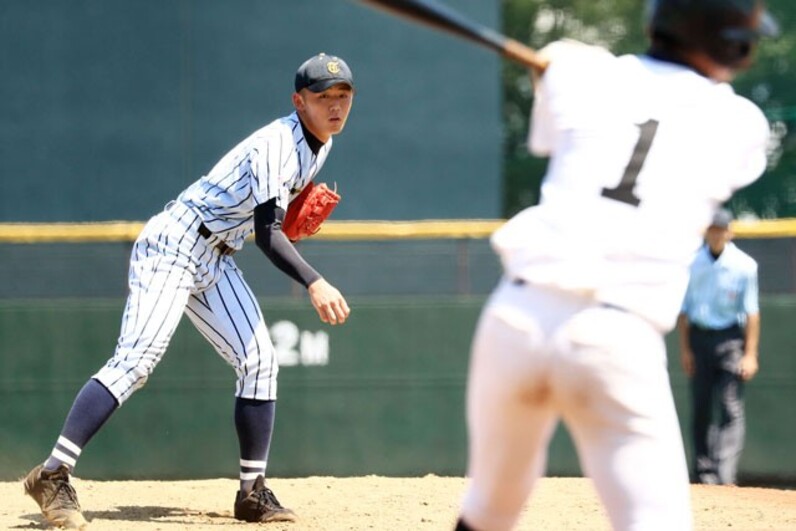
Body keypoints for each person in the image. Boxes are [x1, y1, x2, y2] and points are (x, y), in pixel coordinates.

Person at [454, 1, 778, 530]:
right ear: (731, 46)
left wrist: (564, 66)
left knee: (490, 508)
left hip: (516, 318)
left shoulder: (580, 73)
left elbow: (556, 130)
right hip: (616, 338)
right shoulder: (742, 123)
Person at [23, 52, 355, 528]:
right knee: (137, 360)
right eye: (323, 97)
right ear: (298, 101)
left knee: (260, 361)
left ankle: (251, 492)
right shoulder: (278, 144)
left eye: (343, 95)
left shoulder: (321, 142)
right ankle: (52, 474)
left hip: (216, 255)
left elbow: (267, 218)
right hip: (176, 243)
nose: (335, 105)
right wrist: (314, 280)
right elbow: (267, 232)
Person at [677, 208, 760, 486]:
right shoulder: (691, 264)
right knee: (701, 406)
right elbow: (684, 312)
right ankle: (704, 474)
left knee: (729, 405)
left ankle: (724, 473)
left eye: (720, 229)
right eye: (712, 228)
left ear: (729, 232)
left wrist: (749, 354)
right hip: (699, 339)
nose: (716, 234)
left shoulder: (745, 265)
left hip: (730, 339)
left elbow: (752, 313)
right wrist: (686, 350)